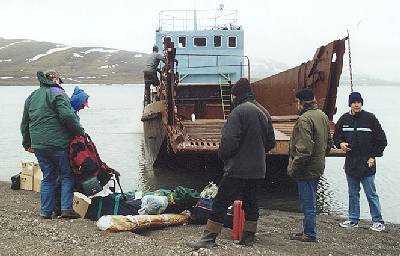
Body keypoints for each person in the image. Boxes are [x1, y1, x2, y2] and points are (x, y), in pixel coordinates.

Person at [187, 78, 276, 249]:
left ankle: (208, 238)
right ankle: (248, 237)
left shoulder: (238, 112)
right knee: (251, 201)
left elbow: (229, 143)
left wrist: (224, 156)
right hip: (258, 168)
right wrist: (256, 151)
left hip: (238, 168)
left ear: (236, 95)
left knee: (221, 201)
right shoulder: (263, 112)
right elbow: (271, 142)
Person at [20, 70, 84, 219]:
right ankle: (66, 209)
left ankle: (45, 211)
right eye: (59, 80)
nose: (60, 83)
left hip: (39, 145)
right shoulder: (57, 93)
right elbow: (67, 116)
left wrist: (27, 143)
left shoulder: (32, 96)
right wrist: (79, 132)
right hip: (58, 144)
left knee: (48, 176)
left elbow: (25, 122)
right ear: (55, 79)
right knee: (67, 175)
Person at [334, 91, 387, 232]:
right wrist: (340, 144)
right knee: (353, 193)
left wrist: (373, 156)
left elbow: (382, 140)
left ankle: (378, 221)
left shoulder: (370, 118)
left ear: (361, 103)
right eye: (354, 102)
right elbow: (336, 136)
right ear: (350, 104)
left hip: (367, 163)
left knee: (371, 194)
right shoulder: (344, 119)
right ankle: (353, 219)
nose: (356, 105)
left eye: (359, 102)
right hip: (351, 163)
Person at [287, 88, 332, 242]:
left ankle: (310, 234)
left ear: (300, 102)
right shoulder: (323, 116)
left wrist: (294, 168)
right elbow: (329, 144)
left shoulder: (304, 119)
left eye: (296, 102)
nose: (296, 105)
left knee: (308, 203)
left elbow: (304, 149)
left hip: (306, 169)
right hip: (318, 166)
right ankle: (307, 230)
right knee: (310, 201)